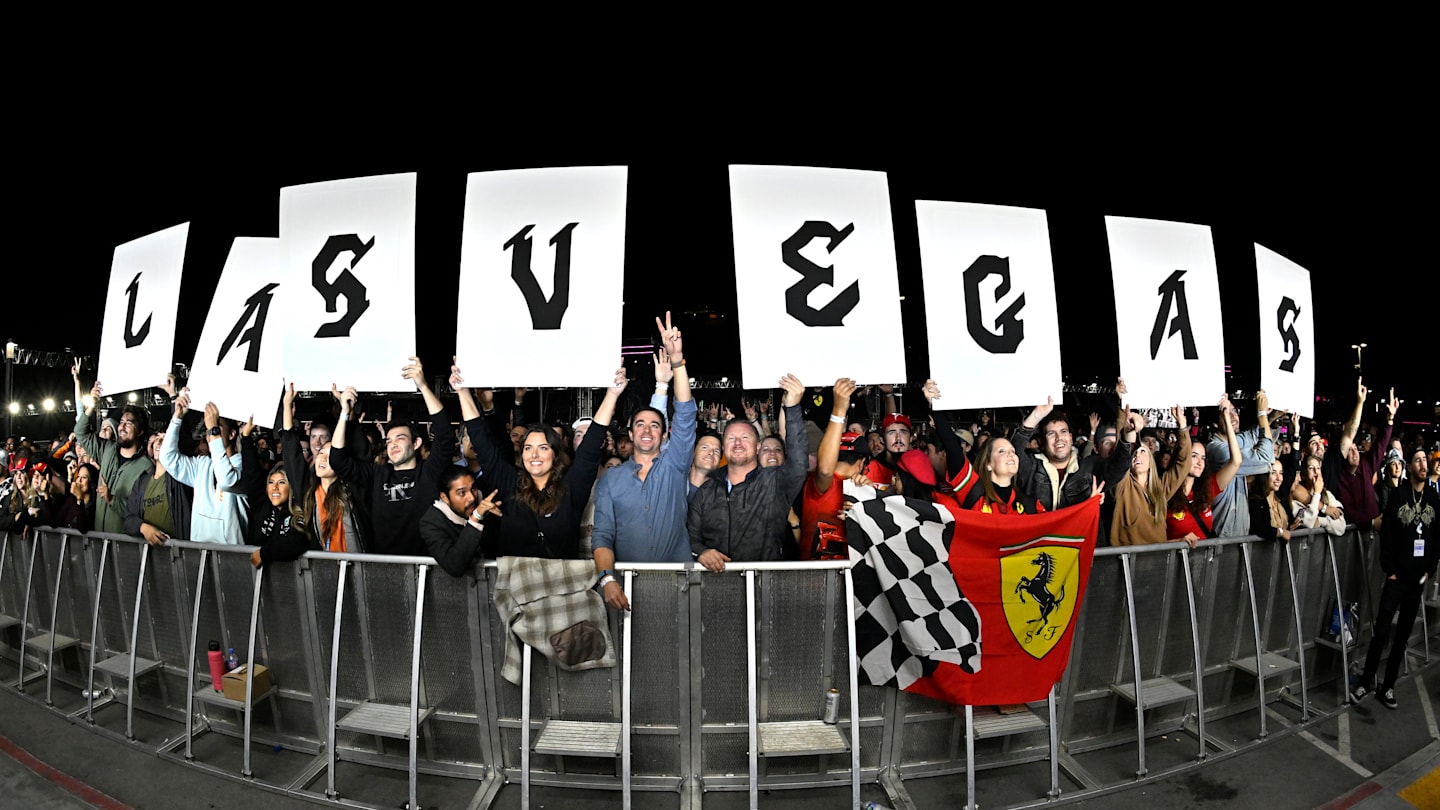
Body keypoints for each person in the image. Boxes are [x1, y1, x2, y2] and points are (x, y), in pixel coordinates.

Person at [457, 361, 626, 560]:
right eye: (528, 448)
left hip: (562, 587)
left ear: (555, 454)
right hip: (515, 587)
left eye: (543, 448)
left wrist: (612, 395)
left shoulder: (571, 489)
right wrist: (462, 392)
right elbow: (481, 441)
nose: (534, 455)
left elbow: (589, 449)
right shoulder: (509, 484)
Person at [591, 314, 697, 609]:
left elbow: (686, 415)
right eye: (640, 424)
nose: (647, 430)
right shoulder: (612, 479)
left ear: (664, 435)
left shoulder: (675, 466)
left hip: (680, 588)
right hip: (628, 590)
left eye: (654, 425)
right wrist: (607, 578)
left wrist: (678, 361)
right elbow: (602, 534)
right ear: (630, 433)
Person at [327, 357, 456, 556]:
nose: (392, 444)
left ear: (417, 443)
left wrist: (422, 386)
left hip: (426, 571)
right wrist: (345, 413)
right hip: (386, 572)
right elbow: (337, 461)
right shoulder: (377, 475)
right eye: (388, 441)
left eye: (400, 438)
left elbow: (445, 435)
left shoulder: (429, 472)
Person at [689, 374, 807, 570]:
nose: (737, 443)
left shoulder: (775, 483)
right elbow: (691, 535)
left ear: (758, 446)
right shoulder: (707, 489)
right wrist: (701, 551)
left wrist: (792, 408)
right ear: (724, 448)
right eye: (731, 438)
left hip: (763, 588)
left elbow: (799, 461)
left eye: (745, 437)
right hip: (716, 588)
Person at [1352, 447, 1440, 709]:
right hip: (1396, 577)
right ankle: (1366, 682)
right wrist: (1388, 569)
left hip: (1417, 580)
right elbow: (1387, 533)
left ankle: (1388, 686)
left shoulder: (1434, 499)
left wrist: (1429, 570)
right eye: (1418, 460)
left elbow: (1437, 538)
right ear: (1409, 466)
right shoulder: (1400, 495)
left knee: (1401, 636)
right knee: (1381, 632)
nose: (1424, 464)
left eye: (1426, 460)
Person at [278, 383, 368, 553]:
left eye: (329, 455)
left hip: (359, 568)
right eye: (321, 454)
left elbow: (361, 453)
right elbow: (291, 456)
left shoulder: (353, 489)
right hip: (323, 570)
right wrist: (287, 406)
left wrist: (347, 412)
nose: (322, 458)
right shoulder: (308, 492)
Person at [73, 360, 154, 535]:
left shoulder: (146, 468)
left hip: (123, 546)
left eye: (129, 423)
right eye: (121, 422)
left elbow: (142, 511)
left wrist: (112, 500)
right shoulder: (107, 450)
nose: (122, 426)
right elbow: (80, 431)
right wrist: (92, 404)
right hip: (99, 541)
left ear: (140, 432)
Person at [158, 392, 248, 544]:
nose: (209, 433)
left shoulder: (245, 467)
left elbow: (226, 480)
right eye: (208, 429)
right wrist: (176, 419)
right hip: (200, 552)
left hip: (232, 554)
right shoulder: (202, 465)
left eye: (216, 428)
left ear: (232, 434)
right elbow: (167, 458)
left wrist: (213, 431)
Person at [1167, 396, 1242, 547]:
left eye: (1203, 457)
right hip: (1174, 564)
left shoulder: (1206, 489)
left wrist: (1227, 417)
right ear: (1181, 458)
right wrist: (1178, 543)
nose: (1200, 462)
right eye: (1194, 456)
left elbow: (1236, 461)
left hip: (1204, 563)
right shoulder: (1164, 492)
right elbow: (1150, 539)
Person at [1112, 407, 1191, 546]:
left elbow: (1183, 464)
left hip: (1156, 560)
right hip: (1128, 561)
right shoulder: (1122, 487)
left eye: (1143, 451)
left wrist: (1183, 428)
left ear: (1151, 462)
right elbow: (1119, 455)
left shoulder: (1160, 488)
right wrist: (1124, 418)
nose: (1137, 455)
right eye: (1134, 453)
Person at [1206, 391, 1274, 538]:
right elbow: (1265, 457)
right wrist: (1262, 414)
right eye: (1225, 411)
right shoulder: (1217, 450)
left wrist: (1272, 414)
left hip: (1238, 537)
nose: (1233, 416)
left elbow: (1253, 435)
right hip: (1221, 540)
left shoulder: (1236, 441)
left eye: (1234, 411)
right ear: (1215, 423)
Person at [1334, 382, 1398, 531]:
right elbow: (1349, 511)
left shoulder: (1366, 465)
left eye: (1356, 448)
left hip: (1375, 532)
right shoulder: (1340, 478)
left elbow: (1381, 444)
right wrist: (1371, 523)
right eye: (1350, 449)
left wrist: (1389, 419)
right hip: (1356, 536)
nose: (1354, 452)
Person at [419, 465, 502, 577]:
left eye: (473, 489)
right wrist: (475, 519)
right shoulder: (431, 523)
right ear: (444, 498)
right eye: (462, 493)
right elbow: (454, 566)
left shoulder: (487, 503)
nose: (472, 498)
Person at [247, 463, 314, 567]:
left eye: (281, 482)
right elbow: (252, 475)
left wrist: (263, 553)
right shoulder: (263, 509)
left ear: (291, 488)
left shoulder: (298, 514)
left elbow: (296, 543)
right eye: (271, 482)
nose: (275, 487)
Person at [1290, 454, 1347, 536]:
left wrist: (1320, 521)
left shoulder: (1326, 494)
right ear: (1303, 475)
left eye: (1318, 468)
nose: (1316, 471)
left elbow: (1341, 527)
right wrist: (1317, 493)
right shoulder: (1297, 498)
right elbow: (1308, 522)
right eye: (1311, 468)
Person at [1248, 459, 1303, 542]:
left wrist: (1292, 527)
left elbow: (1288, 529)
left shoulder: (1282, 500)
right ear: (1265, 475)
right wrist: (1280, 532)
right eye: (1273, 473)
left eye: (1280, 473)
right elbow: (1257, 526)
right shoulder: (1256, 500)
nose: (1278, 478)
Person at [688, 432, 722, 497]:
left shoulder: (720, 493)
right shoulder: (675, 483)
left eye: (716, 451)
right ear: (693, 451)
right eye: (705, 447)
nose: (711, 452)